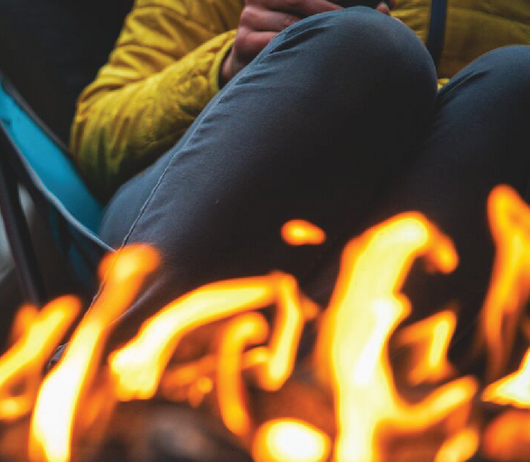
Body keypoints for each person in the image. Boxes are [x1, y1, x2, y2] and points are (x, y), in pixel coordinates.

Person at [70, 0, 530, 349]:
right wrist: (232, 65)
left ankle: (316, 397)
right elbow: (99, 134)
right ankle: (104, 370)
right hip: (182, 216)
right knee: (367, 48)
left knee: (516, 86)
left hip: (426, 244)